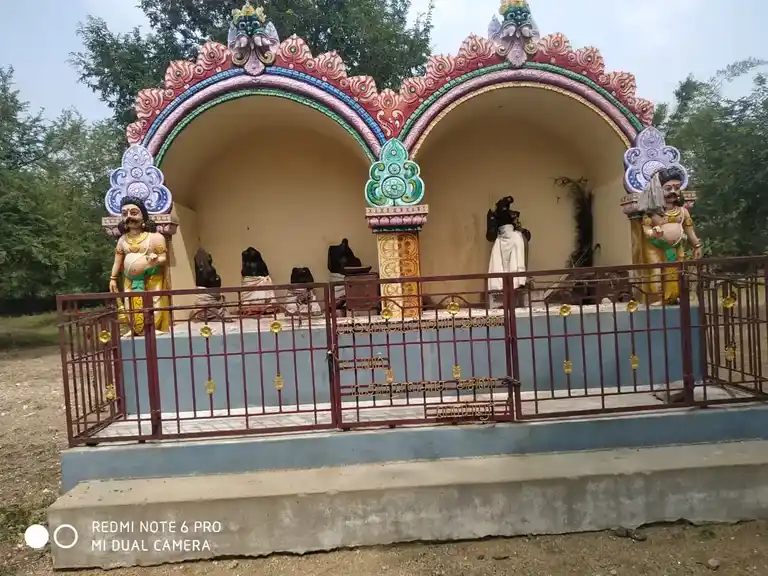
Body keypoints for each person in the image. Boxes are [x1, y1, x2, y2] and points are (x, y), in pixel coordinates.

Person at [638, 166, 703, 304]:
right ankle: (657, 299)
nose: (673, 192)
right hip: (656, 248)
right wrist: (654, 233)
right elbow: (646, 232)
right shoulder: (651, 213)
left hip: (676, 248)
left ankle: (671, 299)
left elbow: (690, 231)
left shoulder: (683, 212)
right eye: (668, 189)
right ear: (657, 190)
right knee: (656, 276)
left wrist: (697, 246)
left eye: (677, 188)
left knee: (676, 274)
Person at [109, 196, 171, 334]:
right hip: (130, 280)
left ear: (143, 216)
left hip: (151, 278)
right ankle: (135, 329)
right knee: (129, 303)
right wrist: (113, 278)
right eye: (125, 214)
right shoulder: (122, 240)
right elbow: (117, 261)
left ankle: (154, 327)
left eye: (134, 213)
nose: (129, 217)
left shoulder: (155, 237)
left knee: (155, 301)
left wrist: (156, 260)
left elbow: (164, 258)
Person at [486, 196, 531, 306]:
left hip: (512, 238)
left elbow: (519, 228)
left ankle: (514, 293)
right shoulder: (494, 215)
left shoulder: (517, 233)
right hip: (502, 239)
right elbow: (490, 235)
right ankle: (504, 297)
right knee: (499, 266)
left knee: (514, 265)